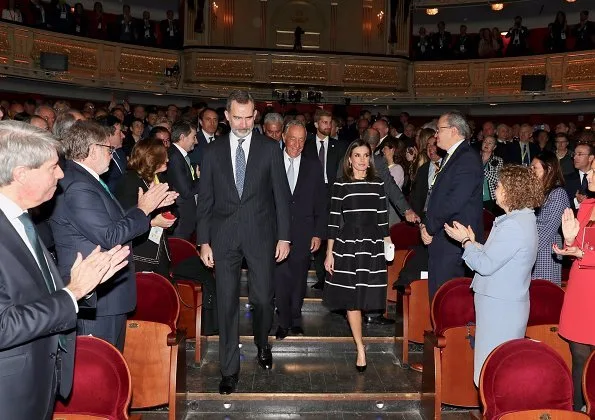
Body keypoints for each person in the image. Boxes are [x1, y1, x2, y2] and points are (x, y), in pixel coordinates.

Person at [0, 120, 130, 420]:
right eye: (52, 167)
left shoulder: (21, 220)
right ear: (21, 174)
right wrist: (73, 293)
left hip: (38, 381)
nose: (60, 173)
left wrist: (81, 284)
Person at [50, 120, 178, 351]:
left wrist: (141, 208)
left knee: (111, 361)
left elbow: (109, 221)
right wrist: (144, 210)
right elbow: (110, 235)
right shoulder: (79, 186)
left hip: (105, 294)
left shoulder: (85, 179)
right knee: (99, 367)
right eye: (109, 149)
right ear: (92, 149)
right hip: (97, 296)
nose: (113, 154)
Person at [196, 90, 291, 395]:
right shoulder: (211, 153)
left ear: (255, 116)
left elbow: (281, 198)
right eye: (237, 117)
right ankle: (229, 369)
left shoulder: (270, 149)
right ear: (226, 116)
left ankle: (262, 342)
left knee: (263, 299)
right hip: (223, 238)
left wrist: (284, 236)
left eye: (249, 117)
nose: (243, 122)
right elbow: (205, 202)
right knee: (226, 304)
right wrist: (204, 241)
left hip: (261, 235)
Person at [444, 165, 543, 385]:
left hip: (500, 307)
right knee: (498, 367)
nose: (494, 188)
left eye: (498, 185)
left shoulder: (514, 226)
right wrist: (474, 243)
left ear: (511, 190)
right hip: (504, 304)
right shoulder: (521, 220)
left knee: (493, 370)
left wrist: (465, 242)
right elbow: (500, 258)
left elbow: (486, 265)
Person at [324, 139, 392, 373]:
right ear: (349, 159)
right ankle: (360, 347)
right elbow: (333, 222)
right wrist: (329, 253)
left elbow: (383, 220)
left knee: (365, 296)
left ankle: (360, 342)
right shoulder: (341, 184)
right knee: (352, 299)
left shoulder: (378, 184)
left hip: (372, 245)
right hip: (347, 244)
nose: (362, 160)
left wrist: (387, 245)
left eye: (366, 155)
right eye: (357, 155)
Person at [422, 112, 484, 299]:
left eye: (439, 130)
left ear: (454, 130)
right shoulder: (455, 156)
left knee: (447, 296)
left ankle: (448, 329)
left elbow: (454, 201)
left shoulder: (466, 158)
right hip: (446, 238)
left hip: (453, 240)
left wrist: (430, 227)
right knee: (440, 294)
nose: (436, 135)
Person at [274, 121, 326, 339]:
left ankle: (295, 318)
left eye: (302, 140)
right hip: (276, 234)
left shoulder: (313, 165)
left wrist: (318, 233)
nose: (296, 144)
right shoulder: (272, 161)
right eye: (293, 138)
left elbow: (321, 202)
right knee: (281, 278)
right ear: (284, 137)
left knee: (298, 278)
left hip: (305, 232)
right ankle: (283, 321)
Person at [554, 154, 595, 410]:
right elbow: (577, 242)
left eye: (593, 172)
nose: (588, 176)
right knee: (578, 353)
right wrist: (569, 242)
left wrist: (583, 254)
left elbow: (585, 250)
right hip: (581, 286)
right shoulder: (587, 205)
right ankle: (576, 410)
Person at [114, 138, 176, 277]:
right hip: (139, 252)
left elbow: (171, 210)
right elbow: (123, 220)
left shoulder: (160, 178)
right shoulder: (129, 181)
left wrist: (168, 217)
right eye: (164, 155)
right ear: (152, 159)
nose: (167, 159)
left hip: (160, 249)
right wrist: (153, 222)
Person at [530, 151, 569, 285]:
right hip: (533, 247)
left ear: (549, 169)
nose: (531, 171)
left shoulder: (558, 194)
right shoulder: (538, 192)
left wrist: (526, 251)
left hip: (546, 250)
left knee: (543, 293)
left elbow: (548, 229)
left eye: (535, 168)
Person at [168, 121, 200, 240]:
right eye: (193, 137)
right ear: (182, 137)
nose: (196, 141)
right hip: (181, 219)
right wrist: (203, 179)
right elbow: (186, 191)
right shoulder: (175, 157)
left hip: (185, 217)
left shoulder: (179, 155)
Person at [481, 136, 504, 215]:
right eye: (485, 142)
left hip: (491, 198)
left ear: (494, 147)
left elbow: (497, 179)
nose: (486, 144)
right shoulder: (474, 158)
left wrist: (482, 170)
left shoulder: (498, 160)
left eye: (490, 143)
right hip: (475, 197)